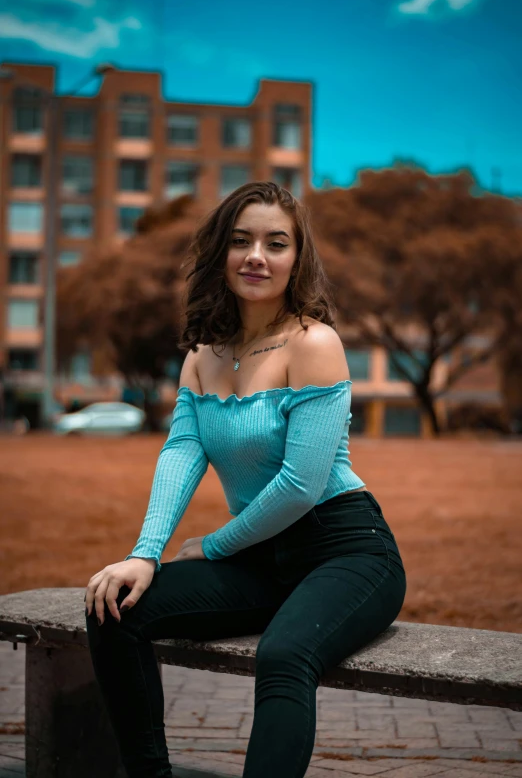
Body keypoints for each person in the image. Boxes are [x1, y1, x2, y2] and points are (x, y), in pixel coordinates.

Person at [85, 181, 407, 778]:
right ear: (222, 254)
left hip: (346, 552)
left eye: (275, 243)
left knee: (285, 655)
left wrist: (211, 545)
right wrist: (145, 554)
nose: (256, 255)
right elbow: (182, 450)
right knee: (115, 609)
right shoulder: (203, 353)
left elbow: (300, 486)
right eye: (241, 241)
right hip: (262, 558)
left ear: (296, 258)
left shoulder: (314, 343)